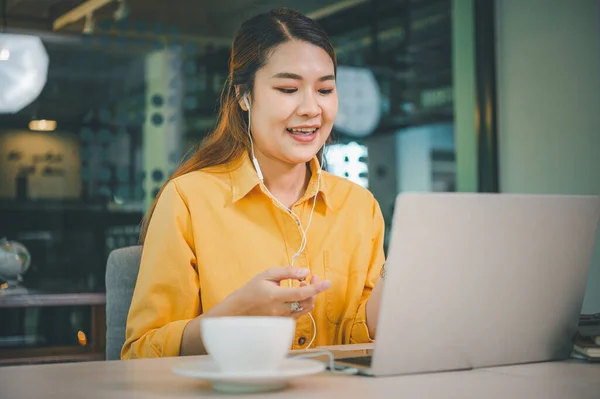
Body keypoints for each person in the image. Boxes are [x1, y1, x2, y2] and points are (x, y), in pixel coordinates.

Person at [121, 7, 385, 359]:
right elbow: (141, 353)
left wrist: (402, 285)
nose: (311, 108)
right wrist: (232, 318)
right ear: (244, 95)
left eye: (325, 89)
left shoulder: (359, 206)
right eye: (288, 88)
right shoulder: (189, 199)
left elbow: (363, 335)